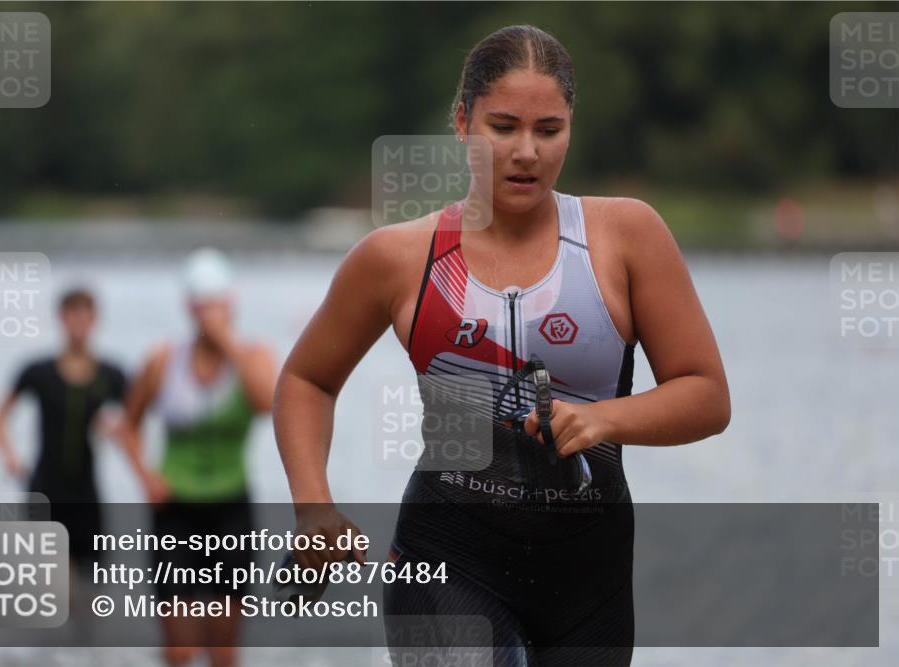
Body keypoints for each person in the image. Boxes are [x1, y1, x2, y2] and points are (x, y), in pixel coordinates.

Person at [274, 25, 730, 667]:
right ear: (461, 122)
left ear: (571, 125)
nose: (526, 152)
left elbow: (707, 396)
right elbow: (307, 380)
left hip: (589, 577)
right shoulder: (399, 258)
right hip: (447, 555)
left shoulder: (626, 236)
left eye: (549, 130)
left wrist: (602, 419)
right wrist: (314, 507)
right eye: (503, 126)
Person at [122, 248, 276, 667]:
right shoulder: (162, 361)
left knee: (223, 649)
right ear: (188, 308)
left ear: (231, 305)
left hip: (231, 507)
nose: (209, 314)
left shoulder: (253, 356)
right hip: (175, 508)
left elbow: (268, 405)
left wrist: (226, 341)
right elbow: (127, 425)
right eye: (202, 306)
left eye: (217, 305)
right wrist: (145, 476)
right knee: (180, 648)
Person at [0, 287, 127, 571]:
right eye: (72, 316)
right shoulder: (38, 371)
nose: (79, 324)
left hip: (86, 493)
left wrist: (113, 426)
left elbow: (137, 416)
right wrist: (10, 456)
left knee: (91, 582)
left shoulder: (110, 375)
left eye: (85, 316)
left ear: (95, 320)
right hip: (45, 488)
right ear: (61, 319)